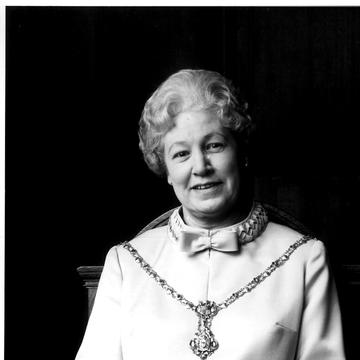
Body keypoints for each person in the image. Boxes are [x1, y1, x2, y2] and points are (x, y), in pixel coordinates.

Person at [75, 69, 345, 360]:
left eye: (214, 145)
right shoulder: (126, 264)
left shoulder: (304, 259)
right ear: (165, 169)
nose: (200, 166)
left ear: (240, 153)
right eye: (181, 154)